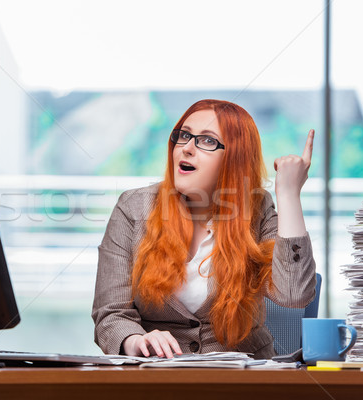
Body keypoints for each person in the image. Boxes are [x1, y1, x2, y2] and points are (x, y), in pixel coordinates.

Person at [92, 99, 316, 359]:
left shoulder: (258, 209)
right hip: (155, 380)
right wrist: (136, 340)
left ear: (235, 156)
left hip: (240, 383)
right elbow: (110, 313)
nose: (186, 148)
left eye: (207, 141)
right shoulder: (133, 207)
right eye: (184, 135)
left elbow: (294, 294)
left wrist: (288, 194)